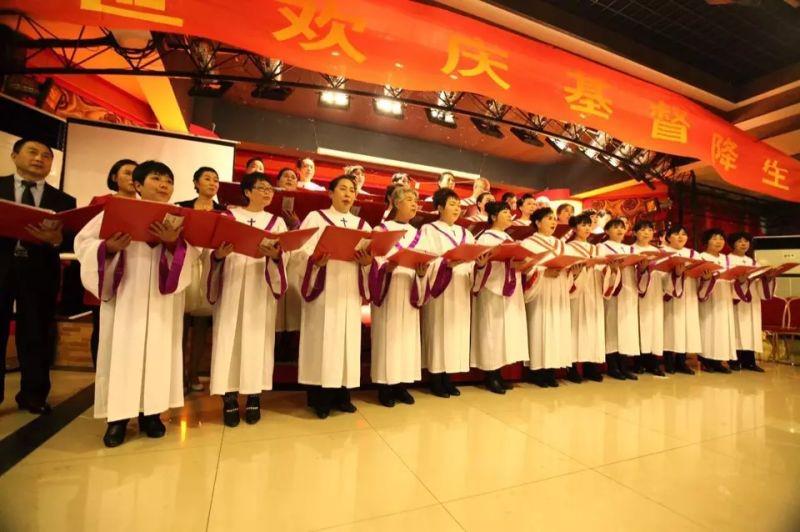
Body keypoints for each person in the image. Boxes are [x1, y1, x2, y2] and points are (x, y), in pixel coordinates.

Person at [75, 160, 197, 447]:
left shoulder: (180, 218)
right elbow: (84, 243)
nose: (164, 184)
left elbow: (192, 257)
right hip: (126, 296)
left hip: (161, 300)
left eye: (168, 180)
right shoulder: (115, 210)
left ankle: (151, 414)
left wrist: (172, 244)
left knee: (157, 353)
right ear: (138, 185)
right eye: (156, 178)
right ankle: (117, 419)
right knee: (122, 354)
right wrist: (109, 248)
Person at [0, 138, 76, 414]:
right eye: (32, 152)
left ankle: (33, 395)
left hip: (40, 271)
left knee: (37, 333)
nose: (39, 159)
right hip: (2, 267)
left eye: (46, 155)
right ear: (14, 155)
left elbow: (71, 241)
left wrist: (56, 240)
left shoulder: (64, 201)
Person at [206, 172, 286, 426]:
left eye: (270, 189)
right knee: (228, 339)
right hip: (231, 284)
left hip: (260, 287)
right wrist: (218, 255)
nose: (266, 193)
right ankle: (228, 398)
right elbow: (209, 250)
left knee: (257, 341)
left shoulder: (277, 223)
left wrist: (275, 256)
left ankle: (253, 395)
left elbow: (287, 257)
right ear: (247, 191)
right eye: (261, 188)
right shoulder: (228, 217)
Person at [296, 175, 372, 418]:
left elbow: (373, 257)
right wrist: (315, 261)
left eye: (352, 190)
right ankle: (319, 396)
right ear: (330, 193)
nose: (348, 194)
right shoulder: (315, 218)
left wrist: (368, 262)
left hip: (349, 287)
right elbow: (300, 251)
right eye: (342, 189)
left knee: (347, 340)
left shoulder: (362, 225)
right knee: (323, 340)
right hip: (323, 286)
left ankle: (343, 393)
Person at [419, 188, 490, 397]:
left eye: (459, 205)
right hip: (440, 287)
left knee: (456, 332)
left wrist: (479, 264)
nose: (457, 209)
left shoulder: (465, 233)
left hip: (460, 286)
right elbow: (425, 258)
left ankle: (449, 377)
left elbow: (471, 258)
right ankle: (436, 377)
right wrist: (445, 263)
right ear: (439, 207)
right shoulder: (428, 230)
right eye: (452, 204)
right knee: (439, 330)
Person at [369, 186, 428, 407]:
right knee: (388, 337)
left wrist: (422, 272)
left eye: (416, 200)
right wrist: (387, 268)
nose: (415, 204)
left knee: (407, 338)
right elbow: (373, 260)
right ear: (395, 203)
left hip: (410, 287)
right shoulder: (381, 229)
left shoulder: (417, 233)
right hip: (389, 289)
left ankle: (402, 384)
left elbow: (425, 259)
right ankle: (385, 386)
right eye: (410, 199)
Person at [176, 167, 226, 394]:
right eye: (207, 179)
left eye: (216, 180)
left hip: (209, 267)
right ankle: (176, 375)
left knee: (201, 326)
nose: (212, 183)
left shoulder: (224, 212)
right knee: (180, 324)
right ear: (196, 183)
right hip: (185, 266)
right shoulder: (181, 207)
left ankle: (193, 372)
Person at [471, 202, 530, 393]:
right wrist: (483, 263)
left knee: (505, 332)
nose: (509, 216)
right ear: (494, 216)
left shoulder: (508, 237)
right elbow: (479, 263)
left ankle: (500, 374)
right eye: (505, 212)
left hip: (509, 286)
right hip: (491, 288)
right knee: (492, 331)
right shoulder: (486, 238)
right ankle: (491, 375)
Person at [86, 159, 137, 368]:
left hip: (134, 276)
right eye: (127, 173)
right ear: (114, 177)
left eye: (137, 174)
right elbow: (87, 237)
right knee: (102, 328)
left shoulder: (148, 205)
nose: (133, 178)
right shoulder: (101, 202)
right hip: (105, 271)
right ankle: (102, 373)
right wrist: (107, 248)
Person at [521, 207, 578, 387]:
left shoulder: (562, 244)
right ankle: (537, 371)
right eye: (549, 219)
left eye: (555, 219)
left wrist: (573, 272)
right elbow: (525, 268)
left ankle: (552, 371)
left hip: (559, 288)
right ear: (537, 222)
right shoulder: (528, 243)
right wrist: (543, 272)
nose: (554, 222)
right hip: (541, 290)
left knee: (557, 327)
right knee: (540, 327)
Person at [564, 213, 608, 382]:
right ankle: (573, 366)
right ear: (574, 228)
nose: (587, 228)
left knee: (593, 326)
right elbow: (566, 268)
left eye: (589, 225)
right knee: (576, 326)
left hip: (594, 289)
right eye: (583, 225)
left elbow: (603, 270)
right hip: (577, 290)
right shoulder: (569, 248)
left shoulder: (596, 249)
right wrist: (577, 271)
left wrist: (610, 268)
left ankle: (591, 365)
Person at [598, 218, 640, 380]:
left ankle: (624, 366)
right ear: (607, 231)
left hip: (629, 290)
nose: (620, 230)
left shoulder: (630, 249)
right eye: (615, 227)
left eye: (622, 227)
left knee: (626, 328)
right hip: (612, 290)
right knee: (612, 327)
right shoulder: (602, 247)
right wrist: (612, 269)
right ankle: (613, 366)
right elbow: (599, 268)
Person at [727, 232, 769, 372]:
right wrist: (739, 282)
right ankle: (735, 360)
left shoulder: (753, 262)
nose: (743, 244)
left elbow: (759, 282)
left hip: (752, 299)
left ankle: (750, 361)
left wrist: (767, 278)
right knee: (736, 328)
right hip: (736, 300)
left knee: (751, 328)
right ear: (732, 244)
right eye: (739, 241)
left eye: (746, 241)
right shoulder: (728, 260)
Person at [661, 225, 699, 375]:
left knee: (685, 327)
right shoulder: (662, 252)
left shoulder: (693, 254)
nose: (681, 237)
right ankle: (668, 361)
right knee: (670, 327)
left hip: (688, 293)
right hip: (669, 294)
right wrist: (675, 274)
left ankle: (681, 361)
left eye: (684, 234)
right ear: (668, 237)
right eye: (676, 234)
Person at [696, 228, 735, 374]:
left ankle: (719, 360)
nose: (718, 242)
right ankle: (706, 359)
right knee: (708, 327)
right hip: (709, 297)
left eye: (721, 239)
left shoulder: (726, 258)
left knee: (722, 328)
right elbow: (695, 278)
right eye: (714, 238)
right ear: (706, 241)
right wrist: (706, 279)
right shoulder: (701, 257)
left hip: (724, 296)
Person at [631, 220, 666, 376]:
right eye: (642, 229)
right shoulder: (630, 250)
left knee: (654, 325)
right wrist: (642, 269)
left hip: (656, 291)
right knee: (639, 324)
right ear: (635, 233)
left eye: (650, 229)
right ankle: (638, 362)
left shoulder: (659, 252)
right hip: (636, 292)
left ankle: (654, 362)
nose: (646, 233)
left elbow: (664, 274)